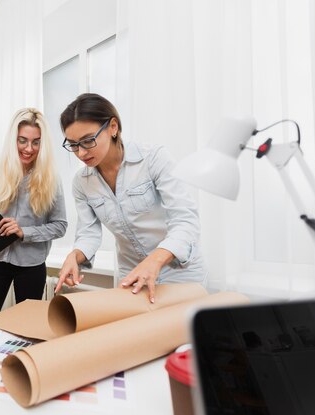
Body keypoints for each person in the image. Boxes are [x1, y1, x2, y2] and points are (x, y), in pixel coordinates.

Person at [54, 93, 206, 303]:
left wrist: (154, 261)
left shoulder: (152, 158)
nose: (80, 153)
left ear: (113, 127)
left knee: (182, 333)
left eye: (88, 140)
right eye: (73, 145)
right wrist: (74, 257)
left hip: (179, 271)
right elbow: (88, 233)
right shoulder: (82, 182)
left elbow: (185, 220)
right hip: (132, 273)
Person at [0, 108, 67, 321]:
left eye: (36, 142)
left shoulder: (51, 179)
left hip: (31, 266)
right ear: (13, 139)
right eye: (22, 140)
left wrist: (24, 232)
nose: (29, 148)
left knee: (28, 328)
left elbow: (60, 225)